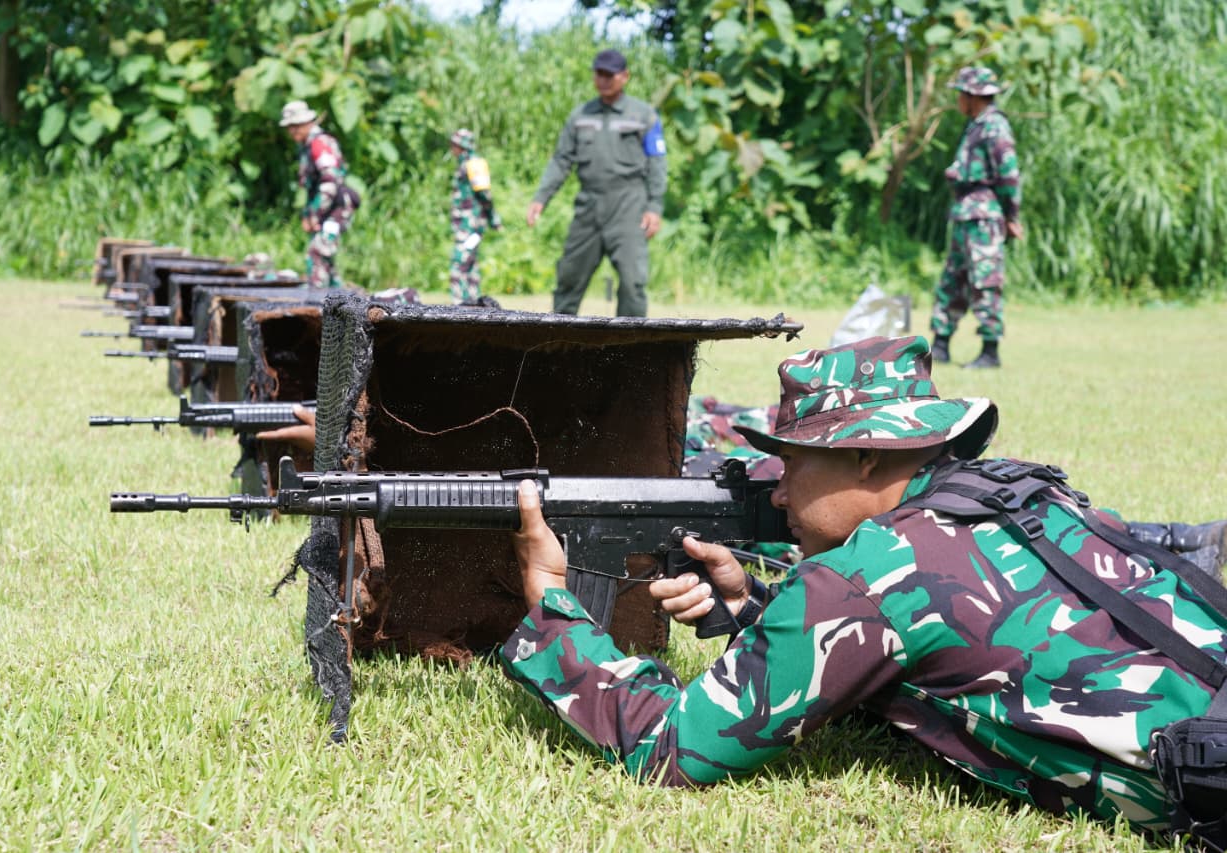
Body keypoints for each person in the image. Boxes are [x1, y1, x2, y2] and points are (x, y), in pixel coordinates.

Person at [502, 335, 1227, 841]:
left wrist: (551, 602)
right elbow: (951, 650)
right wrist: (754, 607)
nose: (780, 494)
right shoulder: (1014, 490)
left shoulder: (871, 573)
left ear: (864, 456)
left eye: (793, 464)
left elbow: (672, 749)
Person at [525, 49, 667, 318]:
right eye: (598, 74)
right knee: (568, 278)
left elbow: (657, 163)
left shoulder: (643, 115)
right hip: (589, 206)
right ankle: (559, 345)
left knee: (632, 282)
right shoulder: (580, 116)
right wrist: (540, 197)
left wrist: (654, 207)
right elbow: (561, 161)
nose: (602, 80)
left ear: (624, 76)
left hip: (629, 206)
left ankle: (631, 349)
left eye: (609, 75)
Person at [930, 66, 1023, 369]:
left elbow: (1009, 176)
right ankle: (940, 345)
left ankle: (990, 351)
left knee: (985, 281)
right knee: (953, 280)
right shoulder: (976, 125)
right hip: (965, 213)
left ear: (973, 96)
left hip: (984, 217)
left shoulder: (995, 127)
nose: (957, 100)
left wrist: (1012, 216)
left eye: (961, 94)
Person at [280, 100, 359, 288]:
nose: (293, 131)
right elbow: (310, 187)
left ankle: (316, 302)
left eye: (296, 126)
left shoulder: (319, 144)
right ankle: (338, 301)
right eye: (290, 127)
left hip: (337, 208)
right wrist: (307, 214)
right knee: (326, 259)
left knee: (318, 252)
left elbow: (330, 181)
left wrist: (315, 213)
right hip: (325, 209)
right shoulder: (306, 147)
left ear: (308, 123)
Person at [448, 129, 502, 305]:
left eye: (455, 144)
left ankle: (459, 304)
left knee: (459, 264)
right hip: (465, 225)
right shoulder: (464, 163)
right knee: (470, 265)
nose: (452, 148)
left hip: (470, 225)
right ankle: (472, 304)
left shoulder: (474, 164)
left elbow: (485, 194)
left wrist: (494, 219)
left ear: (462, 146)